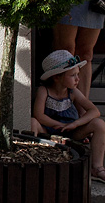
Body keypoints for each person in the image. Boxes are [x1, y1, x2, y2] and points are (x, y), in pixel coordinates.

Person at [33, 49, 105, 182]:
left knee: (99, 123)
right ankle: (33, 159)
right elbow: (39, 115)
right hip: (48, 132)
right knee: (32, 122)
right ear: (56, 77)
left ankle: (97, 167)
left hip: (71, 132)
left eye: (78, 74)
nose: (78, 79)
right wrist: (60, 125)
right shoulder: (44, 91)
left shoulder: (72, 92)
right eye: (73, 75)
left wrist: (75, 124)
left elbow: (94, 111)